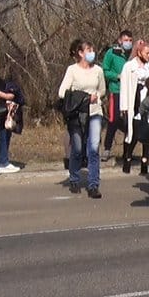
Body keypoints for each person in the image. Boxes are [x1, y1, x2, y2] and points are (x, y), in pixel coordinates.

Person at [58, 40, 106, 198]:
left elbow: (102, 90)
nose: (92, 52)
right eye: (88, 49)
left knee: (93, 148)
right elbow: (62, 92)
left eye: (93, 49)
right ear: (80, 53)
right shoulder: (72, 70)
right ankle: (74, 177)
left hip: (94, 112)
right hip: (77, 114)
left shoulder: (98, 70)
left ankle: (93, 185)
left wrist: (95, 97)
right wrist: (82, 98)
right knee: (77, 148)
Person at [119, 40, 149, 174]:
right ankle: (127, 158)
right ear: (139, 52)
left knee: (147, 134)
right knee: (133, 133)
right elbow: (124, 87)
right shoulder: (129, 67)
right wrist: (123, 106)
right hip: (133, 103)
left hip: (147, 103)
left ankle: (145, 162)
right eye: (147, 53)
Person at [102, 30, 133, 161]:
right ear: (120, 40)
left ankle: (128, 151)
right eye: (126, 40)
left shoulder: (131, 54)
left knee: (130, 122)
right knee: (113, 120)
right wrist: (116, 76)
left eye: (130, 41)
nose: (128, 43)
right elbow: (105, 70)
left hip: (130, 91)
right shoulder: (112, 53)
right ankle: (107, 148)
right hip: (116, 90)